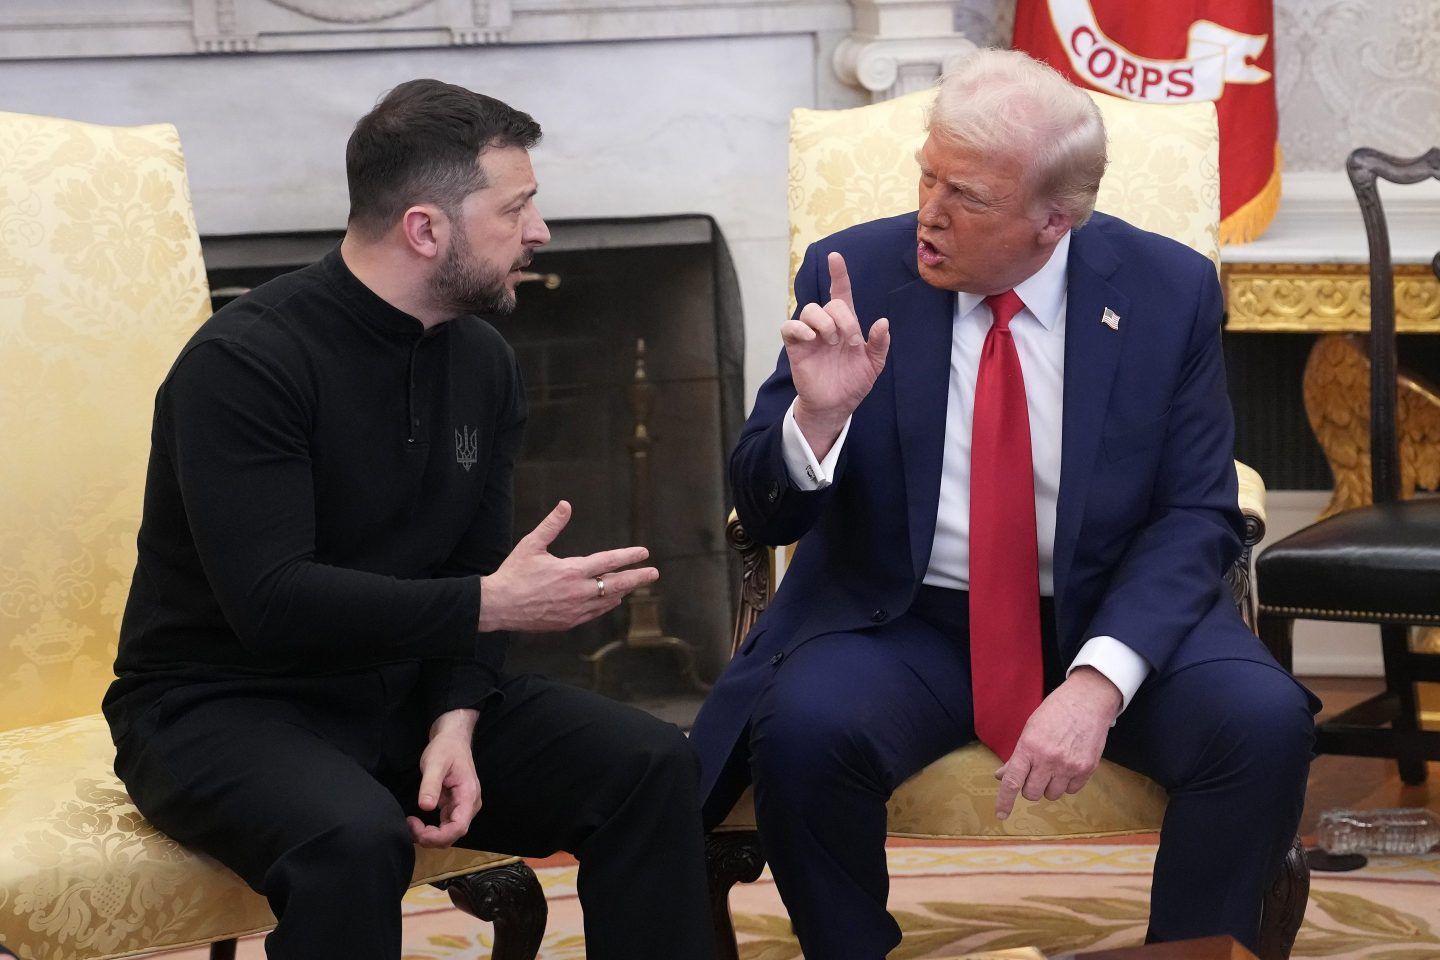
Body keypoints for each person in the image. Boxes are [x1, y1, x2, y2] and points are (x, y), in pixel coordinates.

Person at [689, 49, 1319, 957]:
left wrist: (1098, 683)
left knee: (1260, 726)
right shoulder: (853, 272)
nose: (928, 215)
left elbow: (1196, 514)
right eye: (927, 177)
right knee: (804, 731)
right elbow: (766, 504)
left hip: (1108, 608)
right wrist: (816, 422)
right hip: (904, 619)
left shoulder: (1165, 292)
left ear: (1053, 221)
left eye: (967, 197)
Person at [102, 79, 714, 960]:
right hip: (221, 706)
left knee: (649, 764)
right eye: (517, 209)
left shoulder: (484, 361)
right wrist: (489, 607)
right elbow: (271, 601)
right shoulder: (244, 364)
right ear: (426, 229)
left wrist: (457, 716)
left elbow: (471, 563)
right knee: (352, 839)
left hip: (403, 695)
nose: (540, 232)